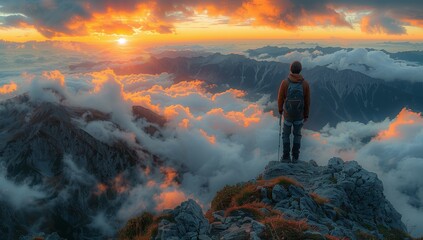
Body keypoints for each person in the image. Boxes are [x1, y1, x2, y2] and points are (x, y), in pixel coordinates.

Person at [278, 61, 310, 163]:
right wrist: (306, 114)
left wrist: (280, 110)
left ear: (290, 69)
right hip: (299, 115)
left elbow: (280, 98)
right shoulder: (305, 84)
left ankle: (286, 156)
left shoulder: (285, 82)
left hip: (288, 114)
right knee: (297, 135)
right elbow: (307, 101)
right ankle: (295, 157)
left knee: (286, 135)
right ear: (300, 70)